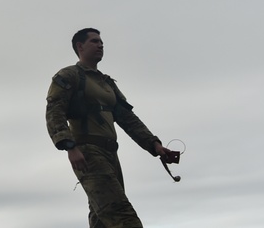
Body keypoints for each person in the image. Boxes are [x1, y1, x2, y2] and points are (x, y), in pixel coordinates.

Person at [46, 28, 176, 227]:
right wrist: (70, 146)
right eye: (94, 41)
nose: (100, 45)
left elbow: (128, 119)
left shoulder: (106, 83)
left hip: (110, 154)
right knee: (122, 216)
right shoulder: (69, 76)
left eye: (101, 42)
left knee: (102, 220)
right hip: (88, 153)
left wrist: (154, 145)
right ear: (80, 47)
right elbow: (54, 112)